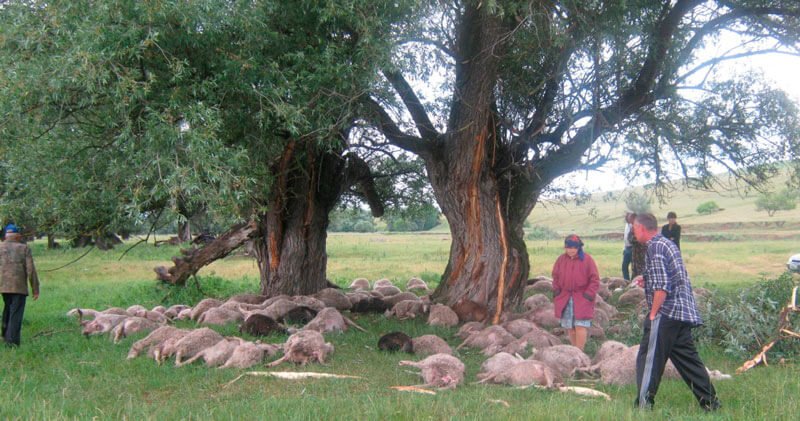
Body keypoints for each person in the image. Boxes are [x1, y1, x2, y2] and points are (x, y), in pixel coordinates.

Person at [632, 213, 720, 412]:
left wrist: (653, 314)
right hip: (682, 312)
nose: (633, 232)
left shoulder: (654, 247)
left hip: (666, 312)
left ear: (642, 228)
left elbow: (662, 287)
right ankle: (711, 404)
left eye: (634, 228)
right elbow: (672, 275)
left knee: (649, 359)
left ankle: (644, 406)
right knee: (688, 360)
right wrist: (647, 280)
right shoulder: (666, 243)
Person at [551, 234, 600, 351]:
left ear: (578, 248)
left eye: (574, 247)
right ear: (565, 247)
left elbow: (594, 279)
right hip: (565, 297)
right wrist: (557, 290)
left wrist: (588, 294)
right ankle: (574, 351)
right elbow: (555, 276)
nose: (571, 250)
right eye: (569, 247)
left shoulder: (587, 260)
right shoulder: (561, 260)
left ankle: (580, 352)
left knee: (580, 326)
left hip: (582, 298)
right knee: (570, 326)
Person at [1, 223, 40, 347]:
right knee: (15, 312)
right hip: (18, 287)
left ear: (6, 235)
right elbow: (31, 270)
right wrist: (35, 288)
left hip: (2, 286)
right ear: (17, 236)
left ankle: (4, 334)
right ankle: (12, 342)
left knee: (8, 307)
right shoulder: (24, 248)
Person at [622, 212, 634, 280]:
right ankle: (626, 280)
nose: (626, 218)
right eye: (626, 216)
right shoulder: (626, 225)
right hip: (626, 249)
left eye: (628, 217)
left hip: (632, 248)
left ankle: (633, 282)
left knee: (633, 267)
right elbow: (625, 238)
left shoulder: (633, 226)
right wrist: (624, 248)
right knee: (624, 266)